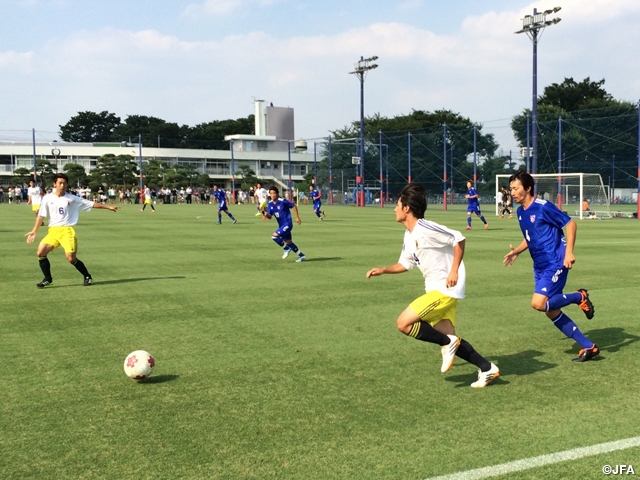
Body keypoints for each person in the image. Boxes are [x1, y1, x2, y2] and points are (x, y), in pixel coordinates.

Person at [366, 183, 498, 387]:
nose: (394, 208)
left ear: (407, 208)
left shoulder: (424, 227)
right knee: (448, 338)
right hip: (438, 289)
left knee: (404, 323)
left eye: (397, 204)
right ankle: (487, 368)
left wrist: (454, 269)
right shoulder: (408, 235)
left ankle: (448, 343)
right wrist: (383, 269)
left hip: (445, 288)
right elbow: (406, 263)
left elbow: (458, 238)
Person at [503, 170, 597, 362]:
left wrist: (569, 252)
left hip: (556, 261)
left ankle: (579, 296)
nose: (512, 192)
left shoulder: (543, 206)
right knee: (550, 310)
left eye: (515, 188)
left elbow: (570, 224)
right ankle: (589, 346)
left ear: (528, 188)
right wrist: (517, 251)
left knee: (538, 303)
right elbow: (531, 237)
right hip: (539, 265)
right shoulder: (521, 212)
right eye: (511, 189)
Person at [25, 173, 118, 288]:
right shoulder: (47, 198)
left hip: (67, 231)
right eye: (60, 183)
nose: (62, 185)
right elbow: (41, 216)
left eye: (64, 183)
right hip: (53, 231)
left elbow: (91, 204)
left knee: (71, 259)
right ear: (55, 184)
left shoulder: (72, 198)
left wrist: (108, 207)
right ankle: (48, 279)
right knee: (40, 253)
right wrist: (34, 231)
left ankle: (87, 276)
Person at [263, 186, 306, 262]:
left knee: (274, 237)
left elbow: (293, 206)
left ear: (277, 194)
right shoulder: (270, 204)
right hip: (281, 225)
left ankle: (286, 249)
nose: (272, 195)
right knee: (288, 242)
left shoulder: (282, 201)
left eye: (274, 193)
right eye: (271, 193)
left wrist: (297, 217)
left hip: (287, 224)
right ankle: (301, 255)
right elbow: (270, 217)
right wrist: (265, 214)